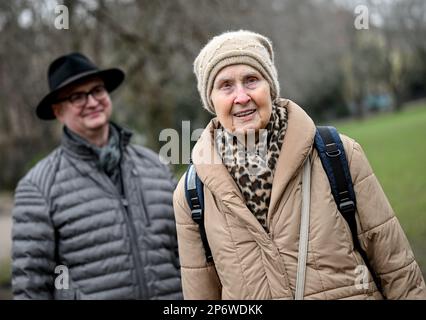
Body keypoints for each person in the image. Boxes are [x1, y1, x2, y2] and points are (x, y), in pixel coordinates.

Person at [172, 30, 426, 300]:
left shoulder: (337, 154)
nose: (241, 96)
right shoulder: (191, 194)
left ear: (270, 86)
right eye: (225, 85)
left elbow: (397, 269)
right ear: (211, 99)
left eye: (251, 80)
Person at [12, 52, 182, 300]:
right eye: (77, 96)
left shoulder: (155, 166)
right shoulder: (38, 186)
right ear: (58, 111)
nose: (92, 102)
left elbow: (188, 252)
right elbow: (31, 286)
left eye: (98, 90)